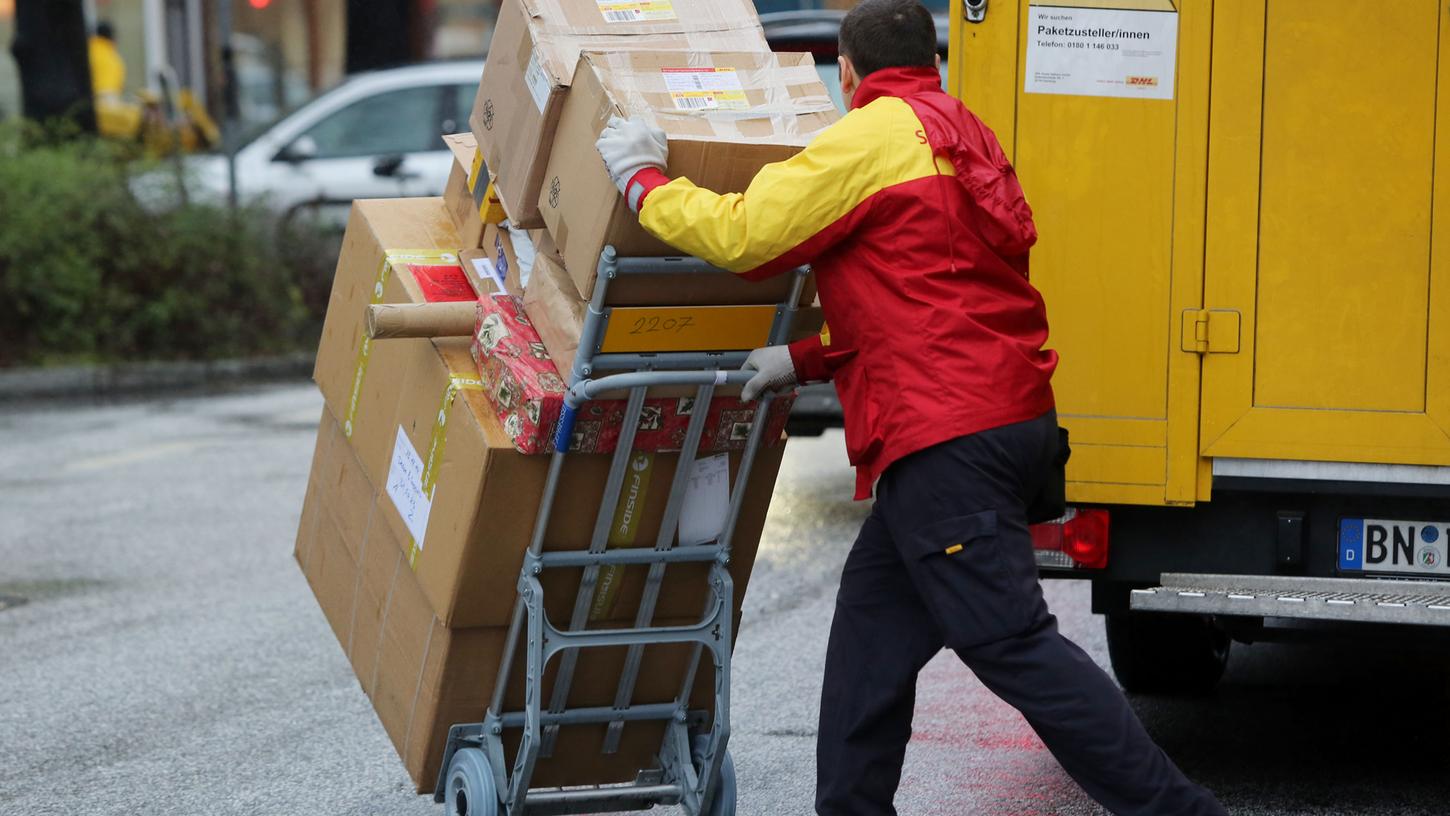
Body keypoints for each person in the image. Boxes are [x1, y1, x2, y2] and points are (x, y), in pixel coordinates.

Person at [594, 1, 1229, 813]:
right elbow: (938, 293)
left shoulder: (867, 138)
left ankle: (1182, 810)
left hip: (947, 440)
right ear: (928, 59)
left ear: (847, 71)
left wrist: (644, 182)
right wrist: (804, 357)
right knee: (870, 641)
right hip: (1006, 420)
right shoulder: (965, 131)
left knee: (1014, 647)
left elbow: (746, 236)